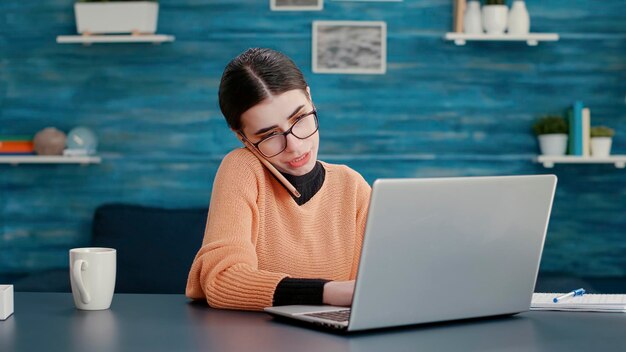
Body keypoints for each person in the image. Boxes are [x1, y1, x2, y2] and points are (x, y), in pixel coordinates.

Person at [186, 48, 371, 311]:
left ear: (310, 98)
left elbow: (371, 287)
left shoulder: (352, 187)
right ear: (243, 137)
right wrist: (327, 292)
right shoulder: (243, 169)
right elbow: (222, 279)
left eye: (300, 118)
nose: (294, 146)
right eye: (269, 135)